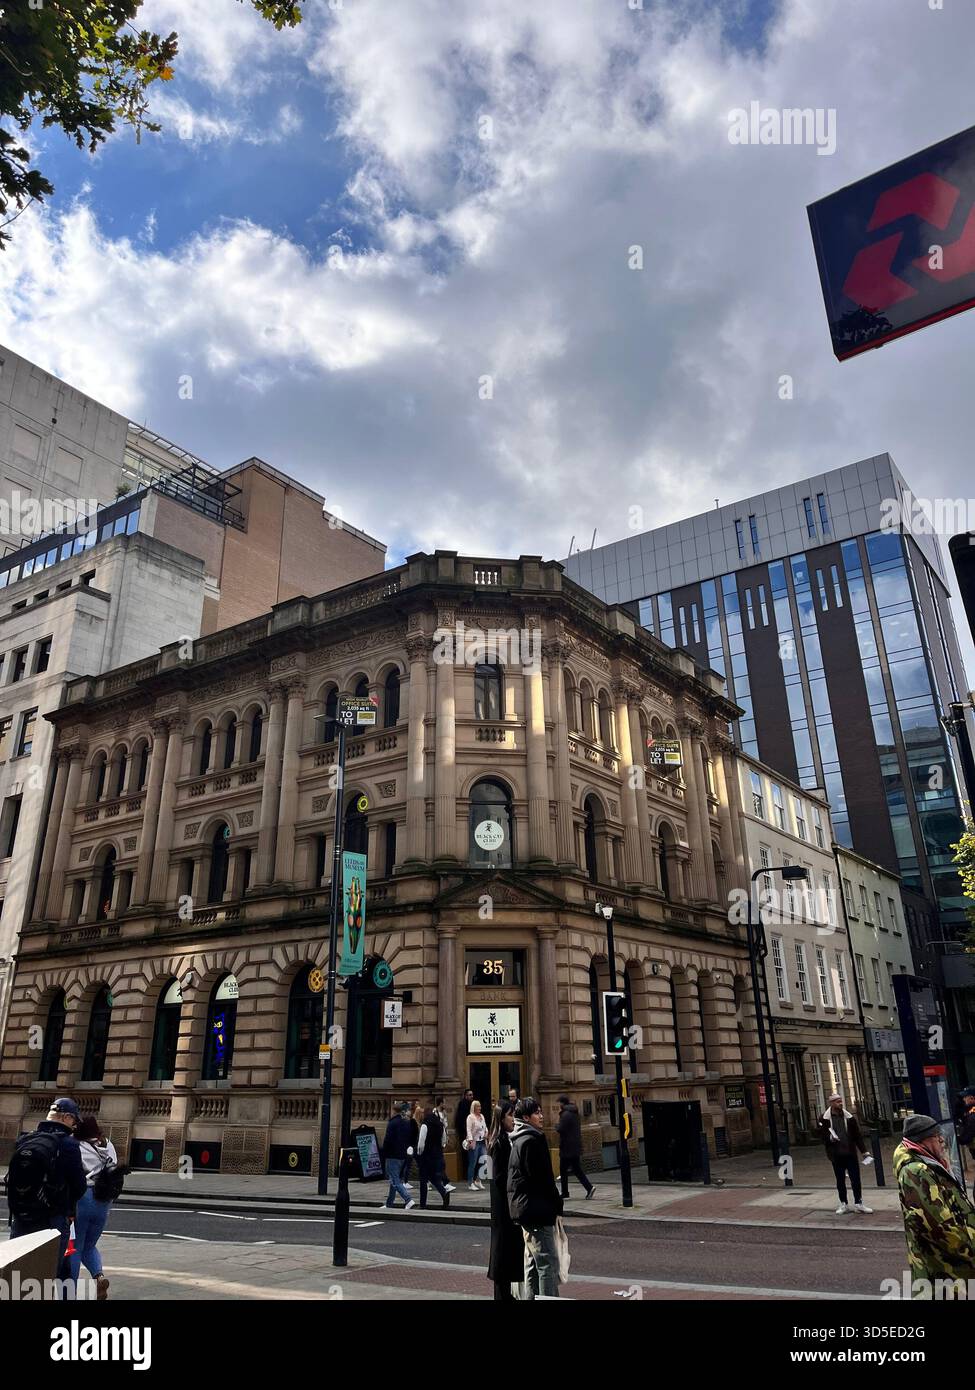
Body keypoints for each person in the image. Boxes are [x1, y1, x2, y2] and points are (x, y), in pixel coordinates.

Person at [4, 1098, 87, 1284]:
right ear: (66, 1117)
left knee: (17, 1275)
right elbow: (79, 1187)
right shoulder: (68, 1145)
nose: (75, 1126)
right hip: (53, 1219)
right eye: (74, 1121)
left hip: (21, 1216)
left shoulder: (25, 1139)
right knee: (45, 1277)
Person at [893, 1113, 975, 1293]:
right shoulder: (916, 1172)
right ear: (924, 1141)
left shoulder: (932, 1163)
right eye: (937, 1136)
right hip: (942, 1269)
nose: (941, 1140)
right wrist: (970, 1251)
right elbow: (939, 1226)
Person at [507, 1096, 564, 1299]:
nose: (541, 1116)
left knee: (532, 1263)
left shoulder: (519, 1139)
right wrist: (557, 1204)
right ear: (526, 1117)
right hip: (536, 1210)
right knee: (547, 1263)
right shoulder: (532, 1141)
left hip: (525, 1210)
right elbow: (542, 1180)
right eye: (537, 1112)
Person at [69, 1114, 122, 1299]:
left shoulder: (75, 1144)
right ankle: (99, 1277)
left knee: (75, 1246)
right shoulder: (108, 1145)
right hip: (104, 1200)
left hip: (83, 1198)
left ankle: (70, 1291)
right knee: (90, 1245)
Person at [487, 1102, 523, 1301]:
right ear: (501, 1118)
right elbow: (498, 1178)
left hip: (503, 1206)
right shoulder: (499, 1143)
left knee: (506, 1253)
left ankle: (506, 1294)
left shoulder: (502, 1140)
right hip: (503, 1208)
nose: (512, 1119)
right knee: (502, 1253)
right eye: (510, 1115)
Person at [818, 1093, 872, 1214]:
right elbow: (822, 1136)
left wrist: (864, 1151)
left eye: (841, 1101)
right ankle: (844, 1204)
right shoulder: (824, 1119)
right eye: (837, 1101)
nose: (840, 1103)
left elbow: (857, 1136)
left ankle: (859, 1203)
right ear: (831, 1104)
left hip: (850, 1152)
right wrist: (830, 1139)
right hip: (836, 1154)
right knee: (840, 1180)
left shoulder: (849, 1118)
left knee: (856, 1179)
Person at [556, 1094, 594, 1200]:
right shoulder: (574, 1112)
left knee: (563, 1170)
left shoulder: (566, 1114)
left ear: (562, 1103)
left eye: (559, 1103)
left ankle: (565, 1193)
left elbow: (561, 1129)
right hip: (574, 1146)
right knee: (577, 1169)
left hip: (567, 1147)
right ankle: (589, 1188)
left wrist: (556, 1126)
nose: (558, 1105)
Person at [417, 1104, 455, 1208]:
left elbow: (421, 1143)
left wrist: (420, 1154)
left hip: (426, 1156)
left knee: (423, 1180)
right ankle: (443, 1192)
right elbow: (443, 1141)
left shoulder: (425, 1125)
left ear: (425, 1114)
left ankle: (422, 1204)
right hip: (437, 1155)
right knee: (434, 1178)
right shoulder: (440, 1124)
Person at [381, 1101, 416, 1210]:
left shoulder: (392, 1123)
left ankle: (408, 1199)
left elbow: (388, 1140)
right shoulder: (406, 1122)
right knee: (394, 1179)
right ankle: (389, 1203)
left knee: (395, 1180)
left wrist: (384, 1152)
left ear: (394, 1111)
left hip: (392, 1154)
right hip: (403, 1154)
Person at [956, 1089, 975, 1197]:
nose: (963, 1100)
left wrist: (959, 1139)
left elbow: (967, 1136)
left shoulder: (972, 1115)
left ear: (972, 1098)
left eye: (965, 1097)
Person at [466, 1100, 488, 1190]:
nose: (479, 1108)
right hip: (474, 1142)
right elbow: (468, 1129)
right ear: (473, 1107)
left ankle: (478, 1180)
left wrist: (487, 1132)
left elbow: (485, 1126)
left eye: (480, 1106)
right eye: (477, 1106)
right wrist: (470, 1140)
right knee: (473, 1162)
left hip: (482, 1141)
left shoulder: (482, 1116)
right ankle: (470, 1183)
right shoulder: (470, 1117)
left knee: (485, 1161)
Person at [454, 1088, 474, 1161]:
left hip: (470, 1133)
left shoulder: (471, 1105)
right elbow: (461, 1120)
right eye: (470, 1095)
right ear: (465, 1096)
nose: (472, 1096)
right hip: (465, 1133)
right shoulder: (463, 1105)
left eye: (472, 1095)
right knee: (466, 1154)